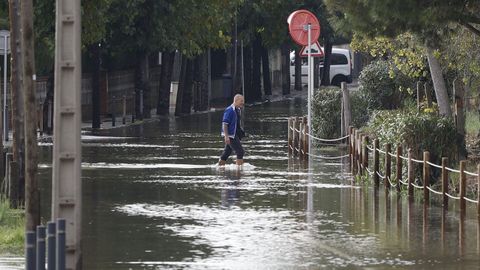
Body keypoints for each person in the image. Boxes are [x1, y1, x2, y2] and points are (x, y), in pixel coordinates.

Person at [218, 94, 245, 166]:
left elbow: (237, 124)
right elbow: (225, 123)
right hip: (230, 135)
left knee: (227, 152)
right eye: (241, 101)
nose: (242, 103)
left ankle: (220, 168)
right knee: (240, 152)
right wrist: (226, 136)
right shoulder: (229, 110)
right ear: (236, 101)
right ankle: (239, 171)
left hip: (234, 134)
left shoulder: (238, 110)